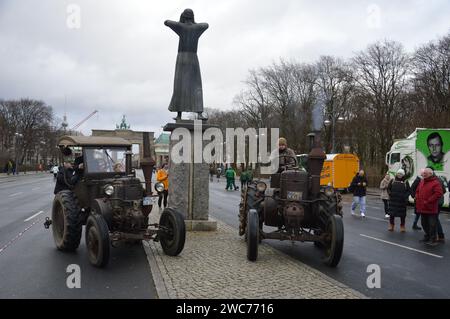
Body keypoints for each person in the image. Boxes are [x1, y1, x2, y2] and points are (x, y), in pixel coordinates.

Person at [165, 9, 208, 120]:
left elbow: (167, 22)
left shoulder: (181, 27)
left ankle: (179, 114)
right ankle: (199, 113)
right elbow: (206, 25)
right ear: (192, 17)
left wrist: (181, 22)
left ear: (183, 16)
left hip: (182, 58)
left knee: (179, 86)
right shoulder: (197, 28)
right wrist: (194, 24)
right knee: (196, 86)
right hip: (193, 58)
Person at [415, 167, 444, 246]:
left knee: (432, 225)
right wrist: (417, 197)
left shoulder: (436, 182)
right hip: (422, 207)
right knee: (424, 224)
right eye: (423, 173)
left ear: (430, 174)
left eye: (425, 173)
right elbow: (417, 190)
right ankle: (427, 236)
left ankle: (433, 239)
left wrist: (428, 201)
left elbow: (438, 193)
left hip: (431, 208)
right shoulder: (422, 181)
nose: (423, 174)